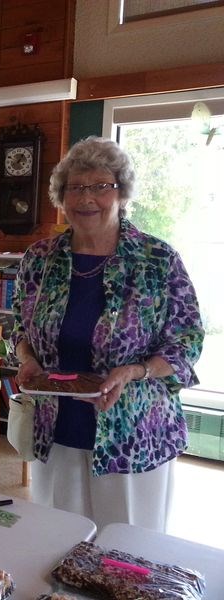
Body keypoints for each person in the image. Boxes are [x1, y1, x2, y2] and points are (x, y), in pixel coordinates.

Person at [11, 136, 204, 532]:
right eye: (76, 187)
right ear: (62, 197)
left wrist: (136, 371)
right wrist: (27, 359)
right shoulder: (40, 259)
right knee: (59, 541)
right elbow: (20, 325)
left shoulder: (157, 259)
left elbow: (188, 339)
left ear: (121, 192)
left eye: (101, 186)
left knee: (127, 549)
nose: (87, 198)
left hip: (132, 431)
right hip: (57, 428)